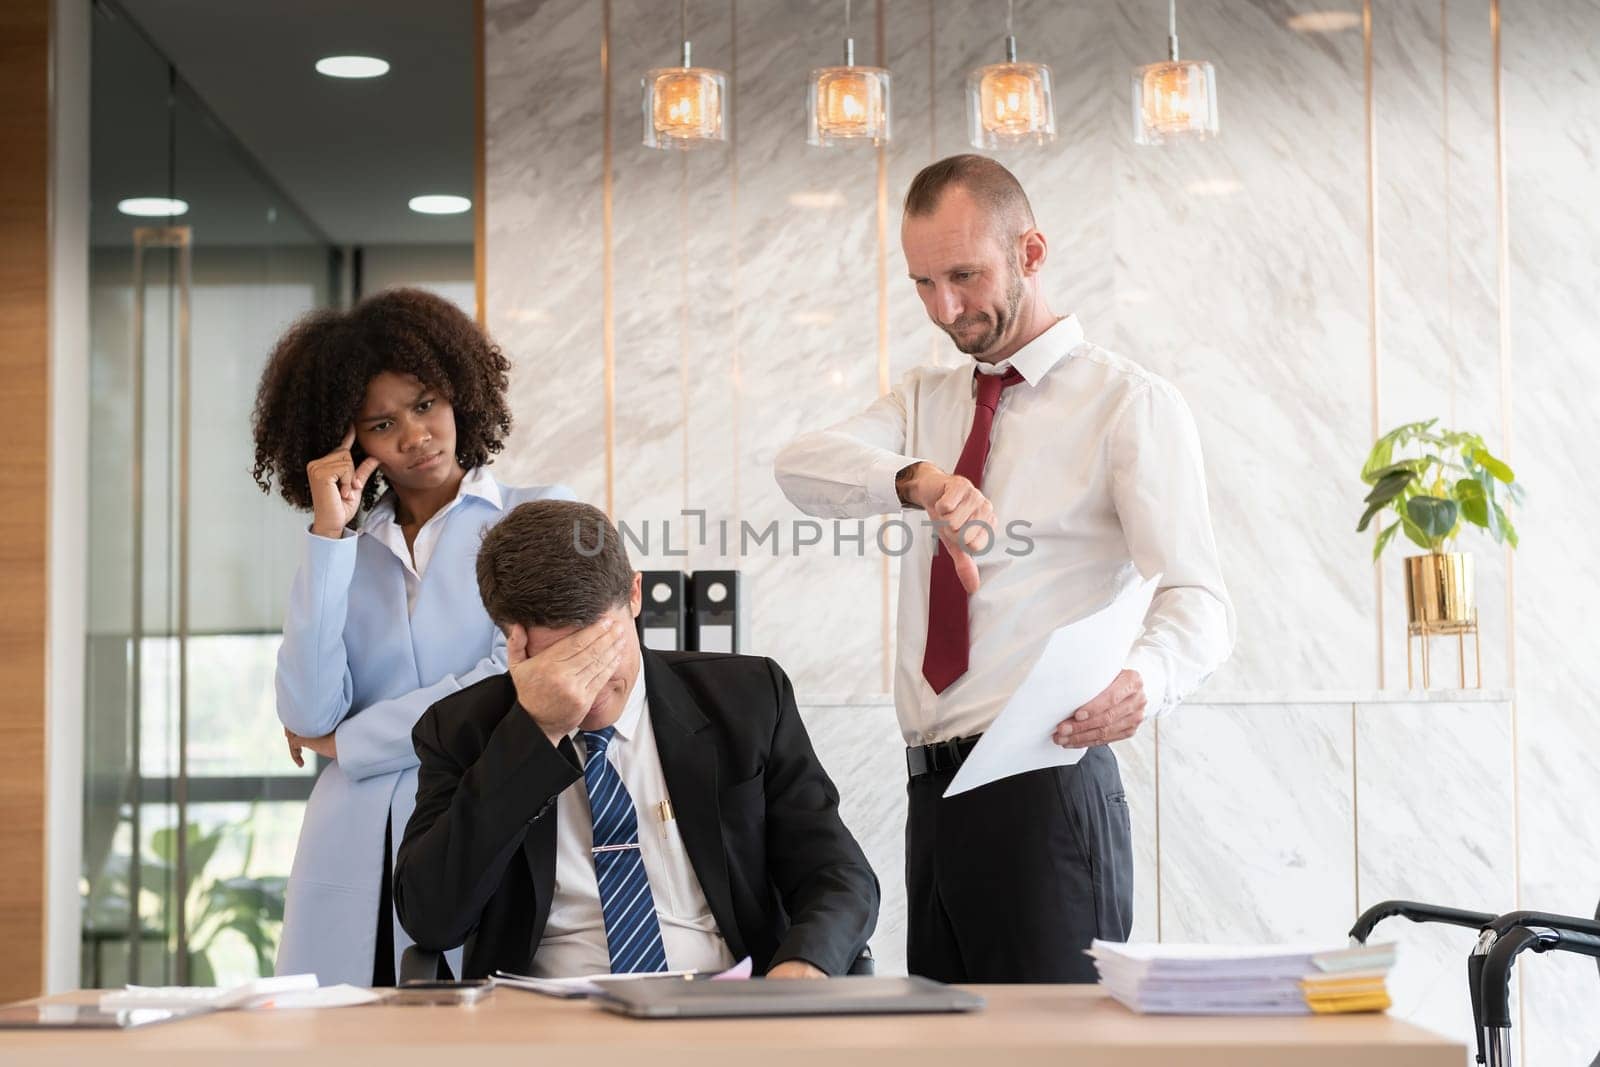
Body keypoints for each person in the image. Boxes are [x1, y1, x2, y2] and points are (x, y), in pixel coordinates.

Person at [773, 154, 1235, 983]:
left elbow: (1198, 594)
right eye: (922, 283)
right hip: (933, 795)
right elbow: (801, 467)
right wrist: (917, 479)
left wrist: (1148, 677)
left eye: (963, 275)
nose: (944, 309)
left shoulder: (1127, 404)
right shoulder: (927, 401)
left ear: (1031, 251)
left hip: (1046, 789)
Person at [393, 500, 878, 979]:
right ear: (511, 640)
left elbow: (838, 876)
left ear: (635, 596)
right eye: (561, 660)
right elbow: (432, 920)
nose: (591, 681)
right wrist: (534, 732)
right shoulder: (461, 731)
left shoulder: (746, 700)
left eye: (602, 646)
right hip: (548, 1023)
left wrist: (803, 967)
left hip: (726, 1005)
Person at [249, 287, 574, 985]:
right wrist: (328, 533)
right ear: (345, 439)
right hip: (349, 845)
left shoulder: (535, 517)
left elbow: (511, 680)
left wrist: (352, 743)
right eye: (381, 423)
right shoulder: (342, 550)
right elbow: (307, 712)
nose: (415, 436)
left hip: (484, 827)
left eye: (425, 404)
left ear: (460, 392)